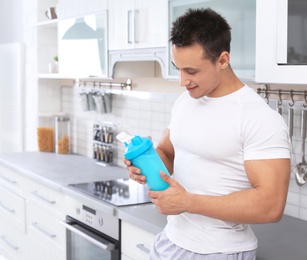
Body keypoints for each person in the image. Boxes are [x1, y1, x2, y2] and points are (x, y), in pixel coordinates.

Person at [124, 8, 291, 260]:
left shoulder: (259, 118)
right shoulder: (185, 101)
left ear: (223, 60)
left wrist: (187, 202)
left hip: (218, 252)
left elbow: (270, 205)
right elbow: (167, 152)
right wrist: (144, 164)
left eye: (191, 71)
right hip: (169, 241)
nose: (182, 81)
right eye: (177, 69)